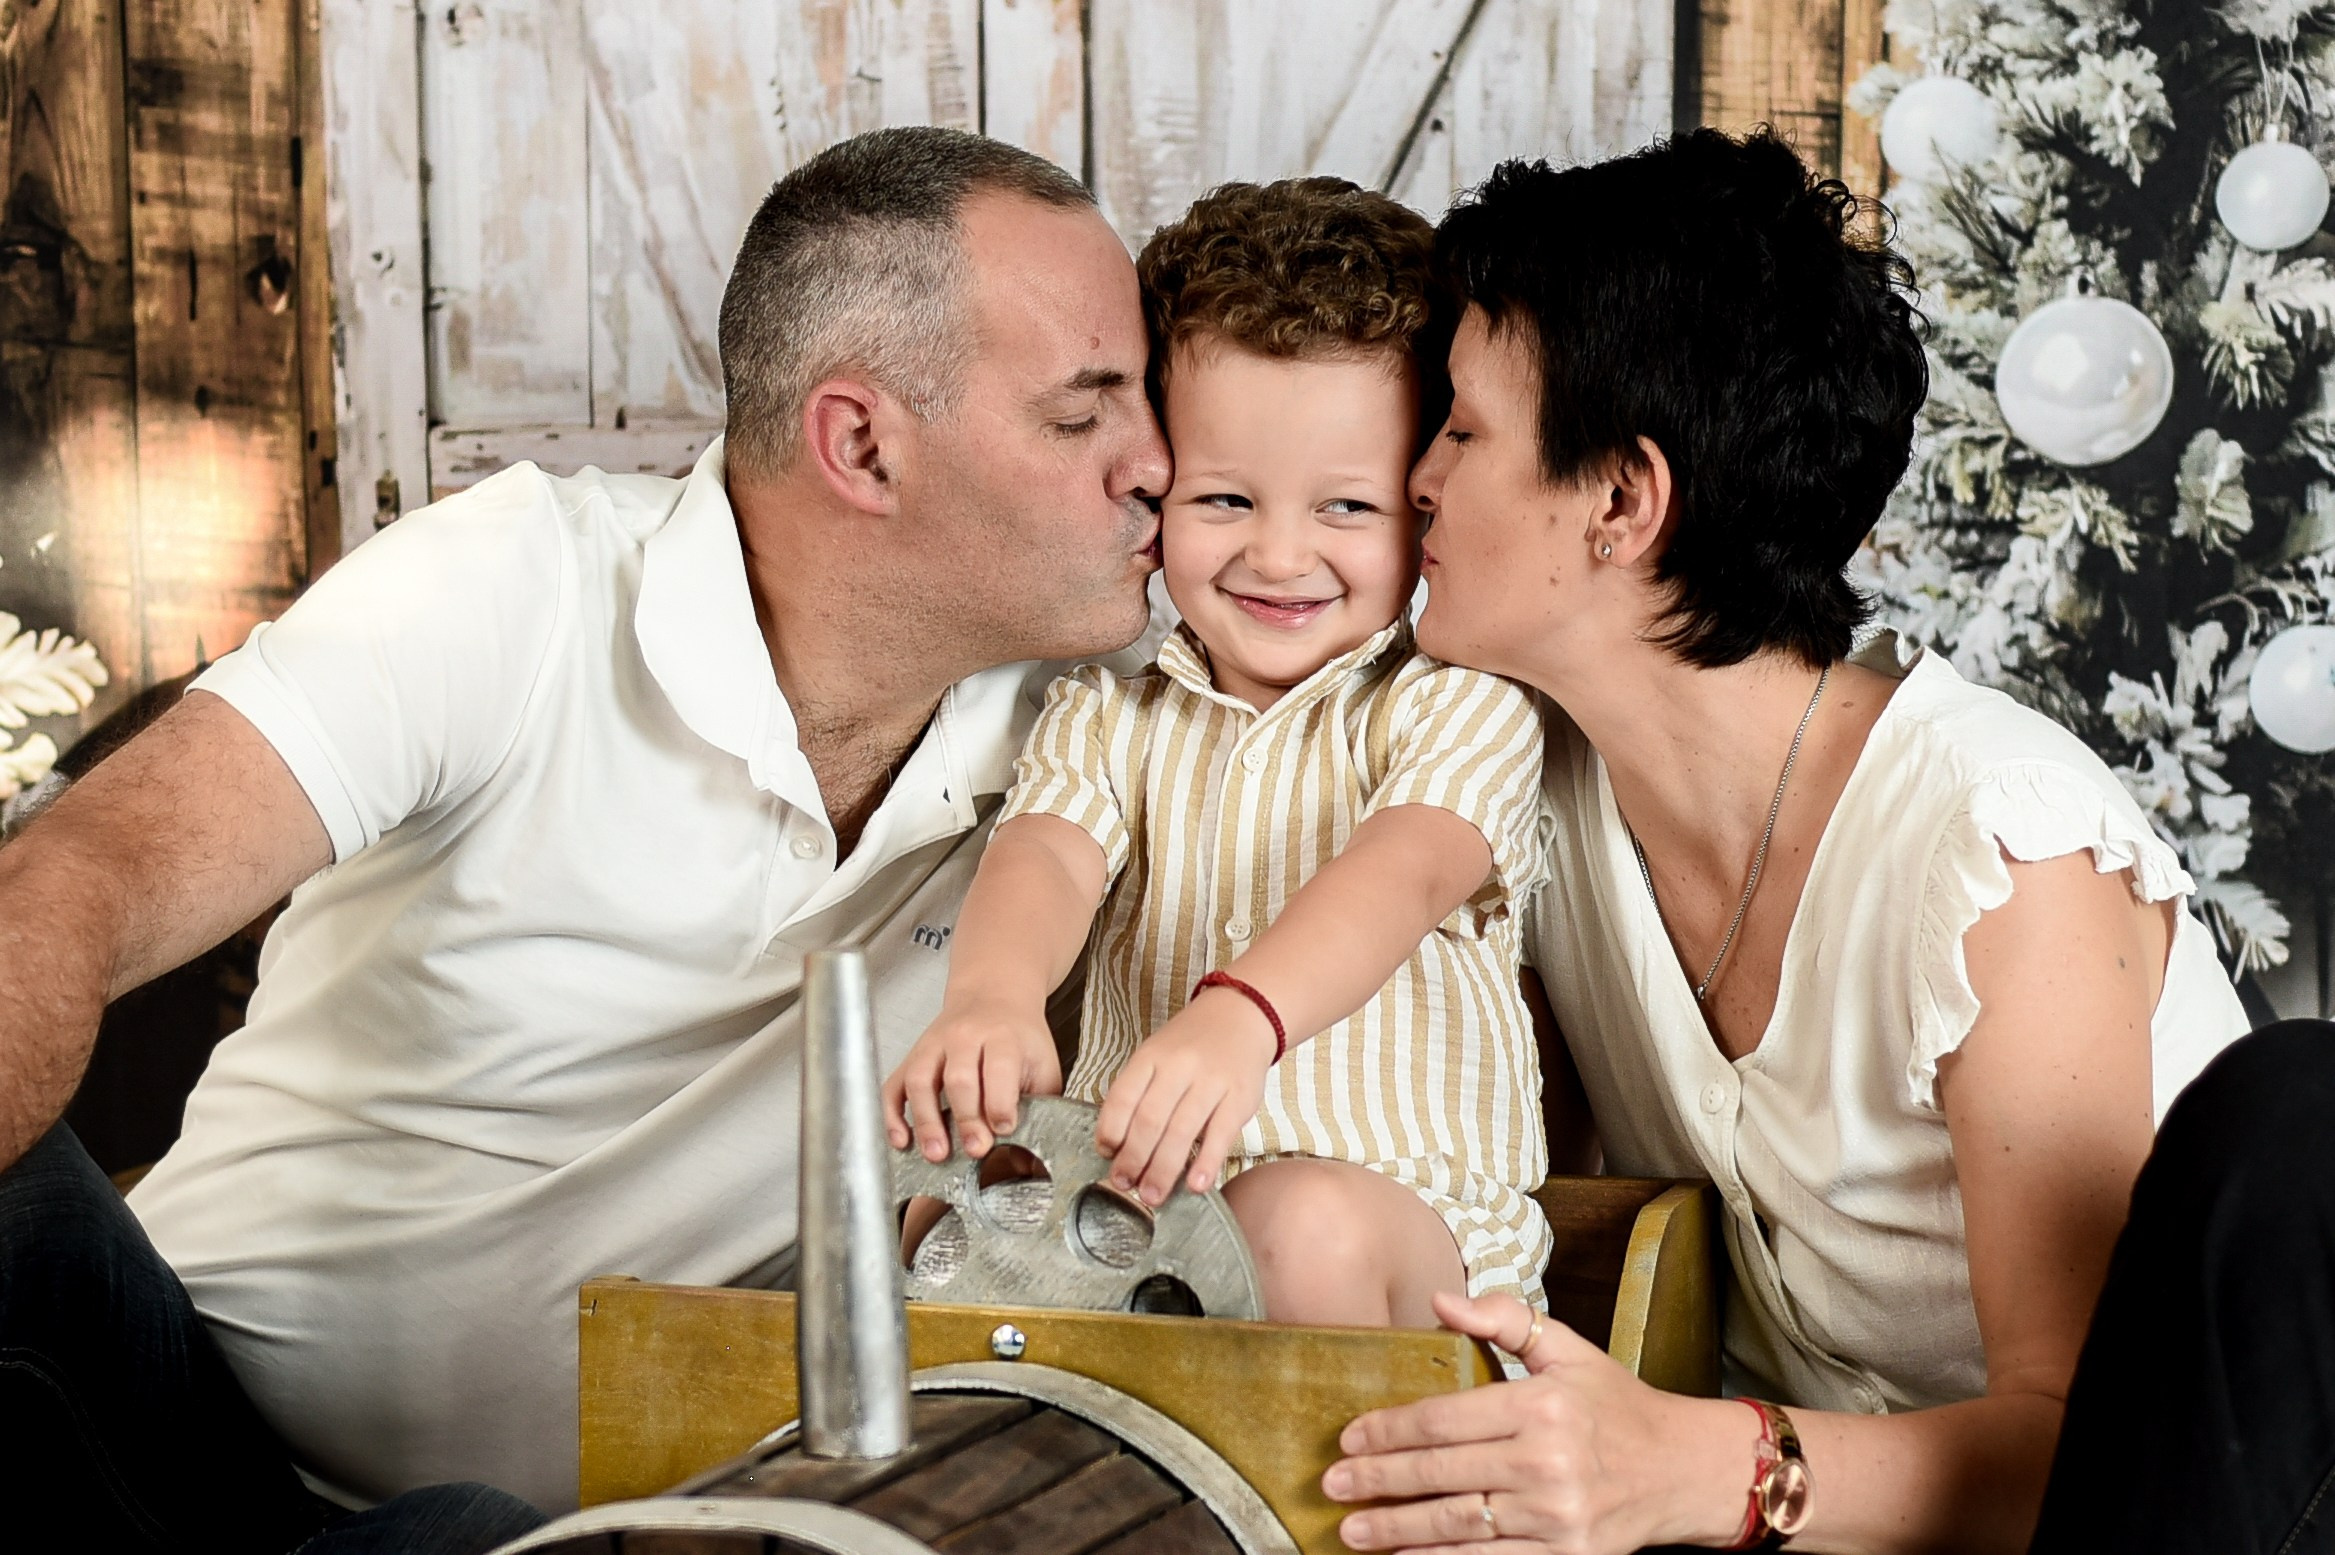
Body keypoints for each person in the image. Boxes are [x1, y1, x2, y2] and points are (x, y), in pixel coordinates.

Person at [0, 125, 1170, 1546]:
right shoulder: (508, 586)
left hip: (536, 1539)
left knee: (467, 1530)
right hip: (154, 1425)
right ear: (861, 442)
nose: (1157, 462)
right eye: (1082, 414)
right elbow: (76, 883)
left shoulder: (1109, 743)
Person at [1315, 128, 2302, 1553]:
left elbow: (2098, 1457)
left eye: (1460, 428)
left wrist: (1703, 1467)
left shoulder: (1994, 845)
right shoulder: (1521, 791)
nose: (1412, 475)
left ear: (1618, 500)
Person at [883, 178, 1552, 1329]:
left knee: (1290, 1227)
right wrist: (990, 998)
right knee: (944, 1222)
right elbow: (1045, 853)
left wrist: (1244, 1013)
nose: (1278, 555)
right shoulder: (1111, 712)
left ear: (1424, 504)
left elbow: (1404, 869)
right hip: (1137, 1210)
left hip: (1405, 1228)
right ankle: (1042, 1487)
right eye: (1226, 498)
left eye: (1347, 507)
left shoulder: (1456, 704)